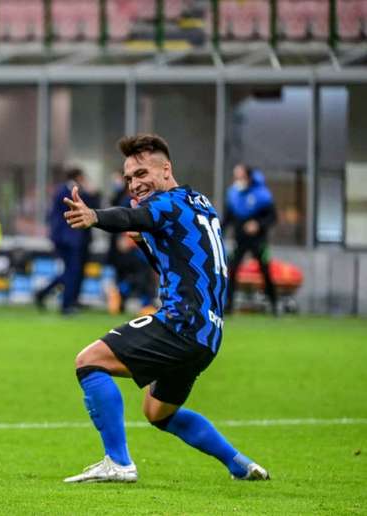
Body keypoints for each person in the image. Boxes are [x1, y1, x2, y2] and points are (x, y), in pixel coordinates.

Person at [61, 134, 268, 483]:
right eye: (128, 178)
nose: (135, 183)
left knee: (89, 361)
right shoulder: (198, 201)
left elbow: (130, 216)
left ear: (166, 169)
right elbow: (175, 263)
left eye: (141, 174)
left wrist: (94, 215)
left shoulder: (168, 204)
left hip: (180, 322)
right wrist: (146, 244)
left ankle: (119, 462)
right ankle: (240, 464)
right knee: (157, 411)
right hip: (208, 335)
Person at [36, 167, 99, 315]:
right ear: (78, 177)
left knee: (72, 271)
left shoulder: (64, 189)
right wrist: (92, 193)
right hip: (68, 239)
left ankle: (46, 294)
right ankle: (66, 305)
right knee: (73, 271)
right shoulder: (68, 191)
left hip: (73, 239)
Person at [223, 163, 278, 315]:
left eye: (240, 175)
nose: (237, 179)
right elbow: (227, 218)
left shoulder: (262, 195)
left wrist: (258, 224)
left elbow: (273, 217)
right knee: (232, 269)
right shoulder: (234, 194)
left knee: (265, 271)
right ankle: (228, 305)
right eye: (236, 176)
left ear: (248, 176)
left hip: (258, 240)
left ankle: (274, 305)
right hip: (240, 240)